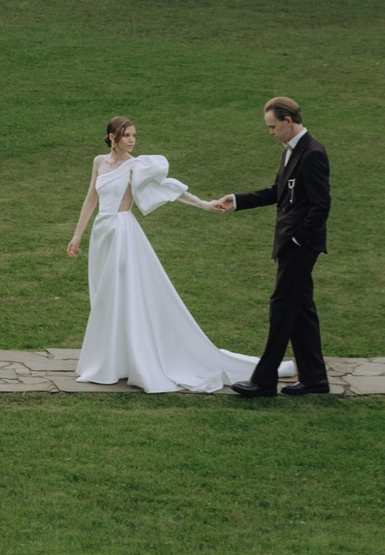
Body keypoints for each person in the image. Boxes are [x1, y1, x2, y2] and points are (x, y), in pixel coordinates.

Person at [63, 116, 257, 392]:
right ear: (112, 137)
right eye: (127, 135)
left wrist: (203, 204)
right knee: (102, 295)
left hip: (122, 233)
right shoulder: (99, 162)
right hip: (101, 233)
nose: (132, 140)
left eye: (134, 135)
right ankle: (112, 360)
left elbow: (169, 188)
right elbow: (91, 198)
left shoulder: (136, 166)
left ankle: (122, 362)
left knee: (117, 293)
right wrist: (77, 233)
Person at [215, 96, 333, 397]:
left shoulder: (312, 153)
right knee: (301, 309)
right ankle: (315, 379)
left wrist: (298, 239)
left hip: (299, 246)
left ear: (288, 122)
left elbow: (321, 206)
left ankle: (264, 380)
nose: (270, 132)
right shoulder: (291, 152)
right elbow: (277, 192)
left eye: (272, 127)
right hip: (292, 243)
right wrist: (237, 200)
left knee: (282, 307)